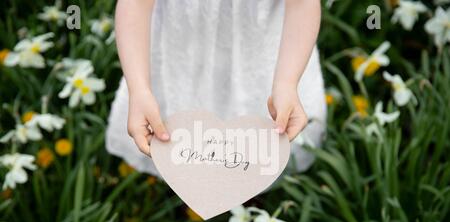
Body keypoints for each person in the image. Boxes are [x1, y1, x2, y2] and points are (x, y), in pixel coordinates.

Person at [106, 0, 326, 176]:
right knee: (177, 133)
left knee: (257, 140)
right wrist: (140, 89)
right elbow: (135, 4)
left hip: (267, 60)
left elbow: (302, 4)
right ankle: (189, 186)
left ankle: (251, 191)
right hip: (182, 53)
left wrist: (287, 82)